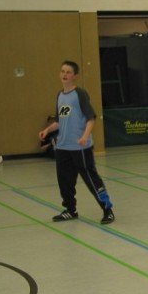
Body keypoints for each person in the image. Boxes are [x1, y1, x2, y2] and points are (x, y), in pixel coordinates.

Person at [39, 60, 115, 224]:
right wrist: (47, 130)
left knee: (91, 179)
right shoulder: (60, 95)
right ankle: (70, 210)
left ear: (75, 76)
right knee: (64, 180)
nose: (64, 75)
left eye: (68, 72)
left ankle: (107, 209)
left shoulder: (80, 94)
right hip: (62, 147)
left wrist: (85, 136)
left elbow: (91, 118)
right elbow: (59, 121)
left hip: (80, 147)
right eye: (62, 71)